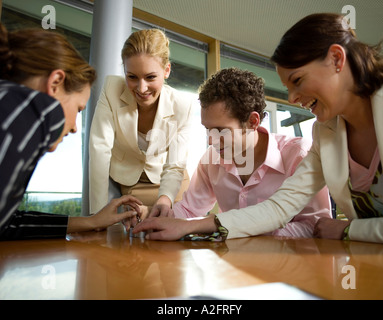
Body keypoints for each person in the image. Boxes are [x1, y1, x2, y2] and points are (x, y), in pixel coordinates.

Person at [133, 13, 383, 245]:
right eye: (288, 88)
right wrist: (182, 223)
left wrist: (351, 230)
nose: (293, 98)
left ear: (336, 59)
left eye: (297, 81)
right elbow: (278, 208)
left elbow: (313, 226)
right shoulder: (326, 133)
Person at [147, 67, 331, 239]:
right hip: (228, 266)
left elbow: (315, 228)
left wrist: (236, 228)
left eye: (221, 130)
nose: (211, 140)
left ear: (252, 121)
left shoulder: (299, 155)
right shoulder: (211, 160)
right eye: (208, 129)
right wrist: (149, 215)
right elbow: (188, 211)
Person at [0, 24, 142, 240]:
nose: (76, 127)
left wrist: (91, 222)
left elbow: (6, 223)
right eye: (78, 109)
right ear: (55, 83)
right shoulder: (38, 108)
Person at [89, 29, 194, 218]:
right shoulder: (111, 88)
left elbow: (175, 164)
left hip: (171, 183)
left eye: (150, 77)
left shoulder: (182, 105)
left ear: (167, 71)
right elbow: (99, 148)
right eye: (132, 77)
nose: (141, 88)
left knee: (176, 238)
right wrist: (96, 214)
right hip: (130, 183)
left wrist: (165, 199)